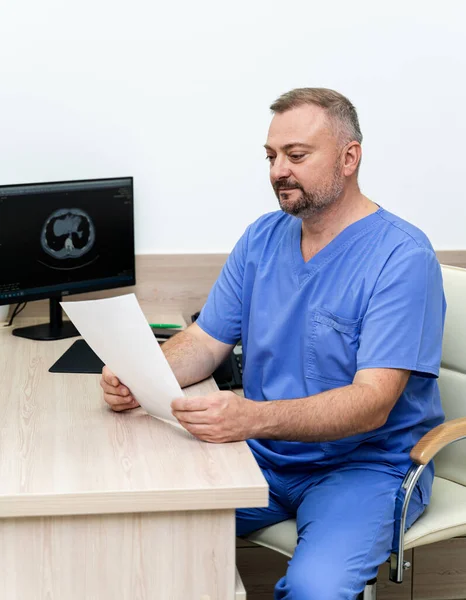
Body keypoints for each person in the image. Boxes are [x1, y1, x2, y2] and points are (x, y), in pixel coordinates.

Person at [100, 88, 446, 599]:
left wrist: (251, 418)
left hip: (364, 466)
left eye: (297, 155)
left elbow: (372, 404)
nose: (278, 170)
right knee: (139, 525)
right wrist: (143, 374)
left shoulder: (401, 257)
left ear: (349, 157)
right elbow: (204, 341)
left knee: (315, 589)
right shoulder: (263, 238)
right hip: (265, 455)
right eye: (271, 156)